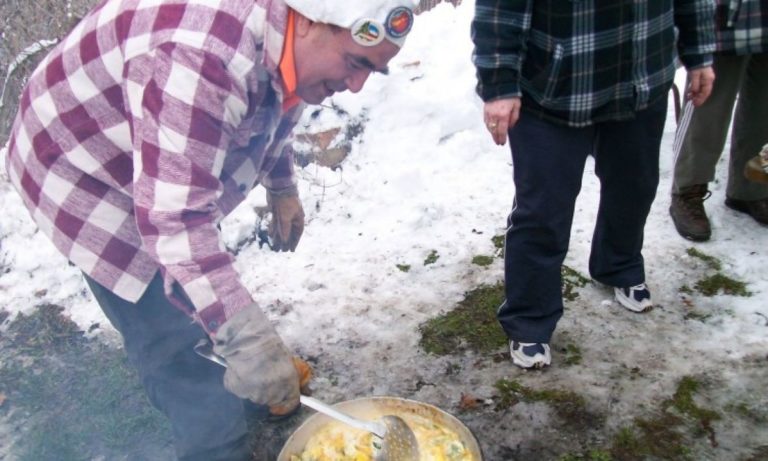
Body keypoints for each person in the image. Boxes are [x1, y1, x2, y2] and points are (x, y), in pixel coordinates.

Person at [3, 0, 419, 459]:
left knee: (205, 302)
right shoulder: (200, 58)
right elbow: (175, 222)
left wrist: (281, 186)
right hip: (82, 167)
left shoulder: (288, 41)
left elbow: (280, 99)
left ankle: (239, 390)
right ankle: (214, 442)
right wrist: (245, 337)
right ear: (308, 24)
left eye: (372, 72)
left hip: (151, 159)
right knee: (173, 344)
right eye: (355, 63)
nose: (356, 86)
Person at [471, 1, 715, 369]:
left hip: (642, 76)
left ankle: (619, 264)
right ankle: (530, 318)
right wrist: (499, 84)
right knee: (543, 211)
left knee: (635, 186)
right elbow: (498, 9)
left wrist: (698, 53)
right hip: (553, 89)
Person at [669, 0, 768, 241]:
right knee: (709, 100)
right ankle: (688, 189)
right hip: (724, 13)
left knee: (764, 105)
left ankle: (751, 188)